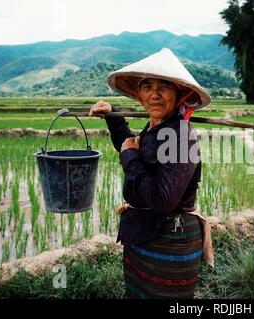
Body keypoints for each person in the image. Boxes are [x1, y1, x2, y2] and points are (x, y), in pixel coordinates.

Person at [89, 48, 214, 299]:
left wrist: (130, 159)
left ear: (179, 94)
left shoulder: (180, 136)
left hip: (169, 241)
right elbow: (135, 148)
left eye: (164, 86)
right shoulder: (157, 128)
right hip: (145, 237)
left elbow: (162, 200)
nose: (154, 94)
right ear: (139, 94)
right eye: (147, 86)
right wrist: (113, 117)